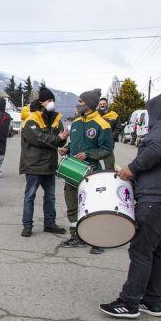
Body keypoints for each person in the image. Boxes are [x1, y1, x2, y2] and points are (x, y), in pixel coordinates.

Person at [100, 90, 161, 318]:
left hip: (157, 200)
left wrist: (131, 169)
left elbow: (156, 150)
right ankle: (152, 301)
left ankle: (129, 302)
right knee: (156, 251)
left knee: (141, 251)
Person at [59, 89, 113, 254]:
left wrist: (88, 154)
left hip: (92, 173)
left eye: (81, 101)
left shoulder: (102, 124)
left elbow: (107, 150)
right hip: (73, 171)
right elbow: (74, 144)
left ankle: (98, 240)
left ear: (89, 104)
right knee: (72, 205)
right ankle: (76, 236)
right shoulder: (75, 123)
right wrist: (66, 149)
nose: (78, 104)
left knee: (93, 206)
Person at [19, 88, 69, 236]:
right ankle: (27, 226)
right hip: (34, 164)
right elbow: (38, 139)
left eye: (53, 100)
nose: (51, 103)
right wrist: (58, 138)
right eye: (49, 100)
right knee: (30, 196)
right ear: (42, 102)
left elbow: (59, 142)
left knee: (50, 196)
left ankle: (50, 224)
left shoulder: (56, 119)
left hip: (49, 165)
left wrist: (64, 137)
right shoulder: (31, 118)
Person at [97, 97, 120, 170]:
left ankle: (109, 178)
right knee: (92, 163)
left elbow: (118, 128)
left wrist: (110, 137)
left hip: (107, 144)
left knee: (109, 165)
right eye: (100, 104)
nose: (102, 105)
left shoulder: (114, 115)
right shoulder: (95, 115)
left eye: (104, 104)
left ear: (107, 104)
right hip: (95, 142)